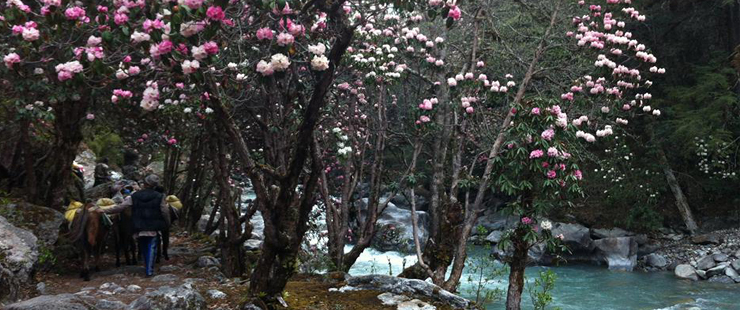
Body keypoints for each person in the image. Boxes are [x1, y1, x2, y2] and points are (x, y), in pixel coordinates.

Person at [105, 174, 170, 277]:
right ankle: (149, 270)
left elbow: (121, 207)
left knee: (143, 246)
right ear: (154, 186)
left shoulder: (134, 196)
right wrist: (167, 223)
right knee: (152, 247)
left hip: (139, 226)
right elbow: (165, 211)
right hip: (153, 225)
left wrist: (103, 210)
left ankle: (147, 267)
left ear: (145, 184)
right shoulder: (160, 196)